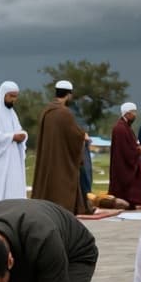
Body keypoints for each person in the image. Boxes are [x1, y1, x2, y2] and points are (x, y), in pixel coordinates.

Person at [31, 79, 87, 214]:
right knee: (61, 181)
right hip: (61, 157)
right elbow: (74, 135)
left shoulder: (46, 111)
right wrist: (83, 135)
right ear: (69, 95)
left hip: (48, 155)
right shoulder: (64, 112)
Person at [109, 102, 141, 209]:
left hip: (128, 162)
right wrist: (138, 150)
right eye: (133, 112)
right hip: (123, 165)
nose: (135, 115)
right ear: (127, 113)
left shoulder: (125, 127)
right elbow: (126, 149)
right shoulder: (120, 129)